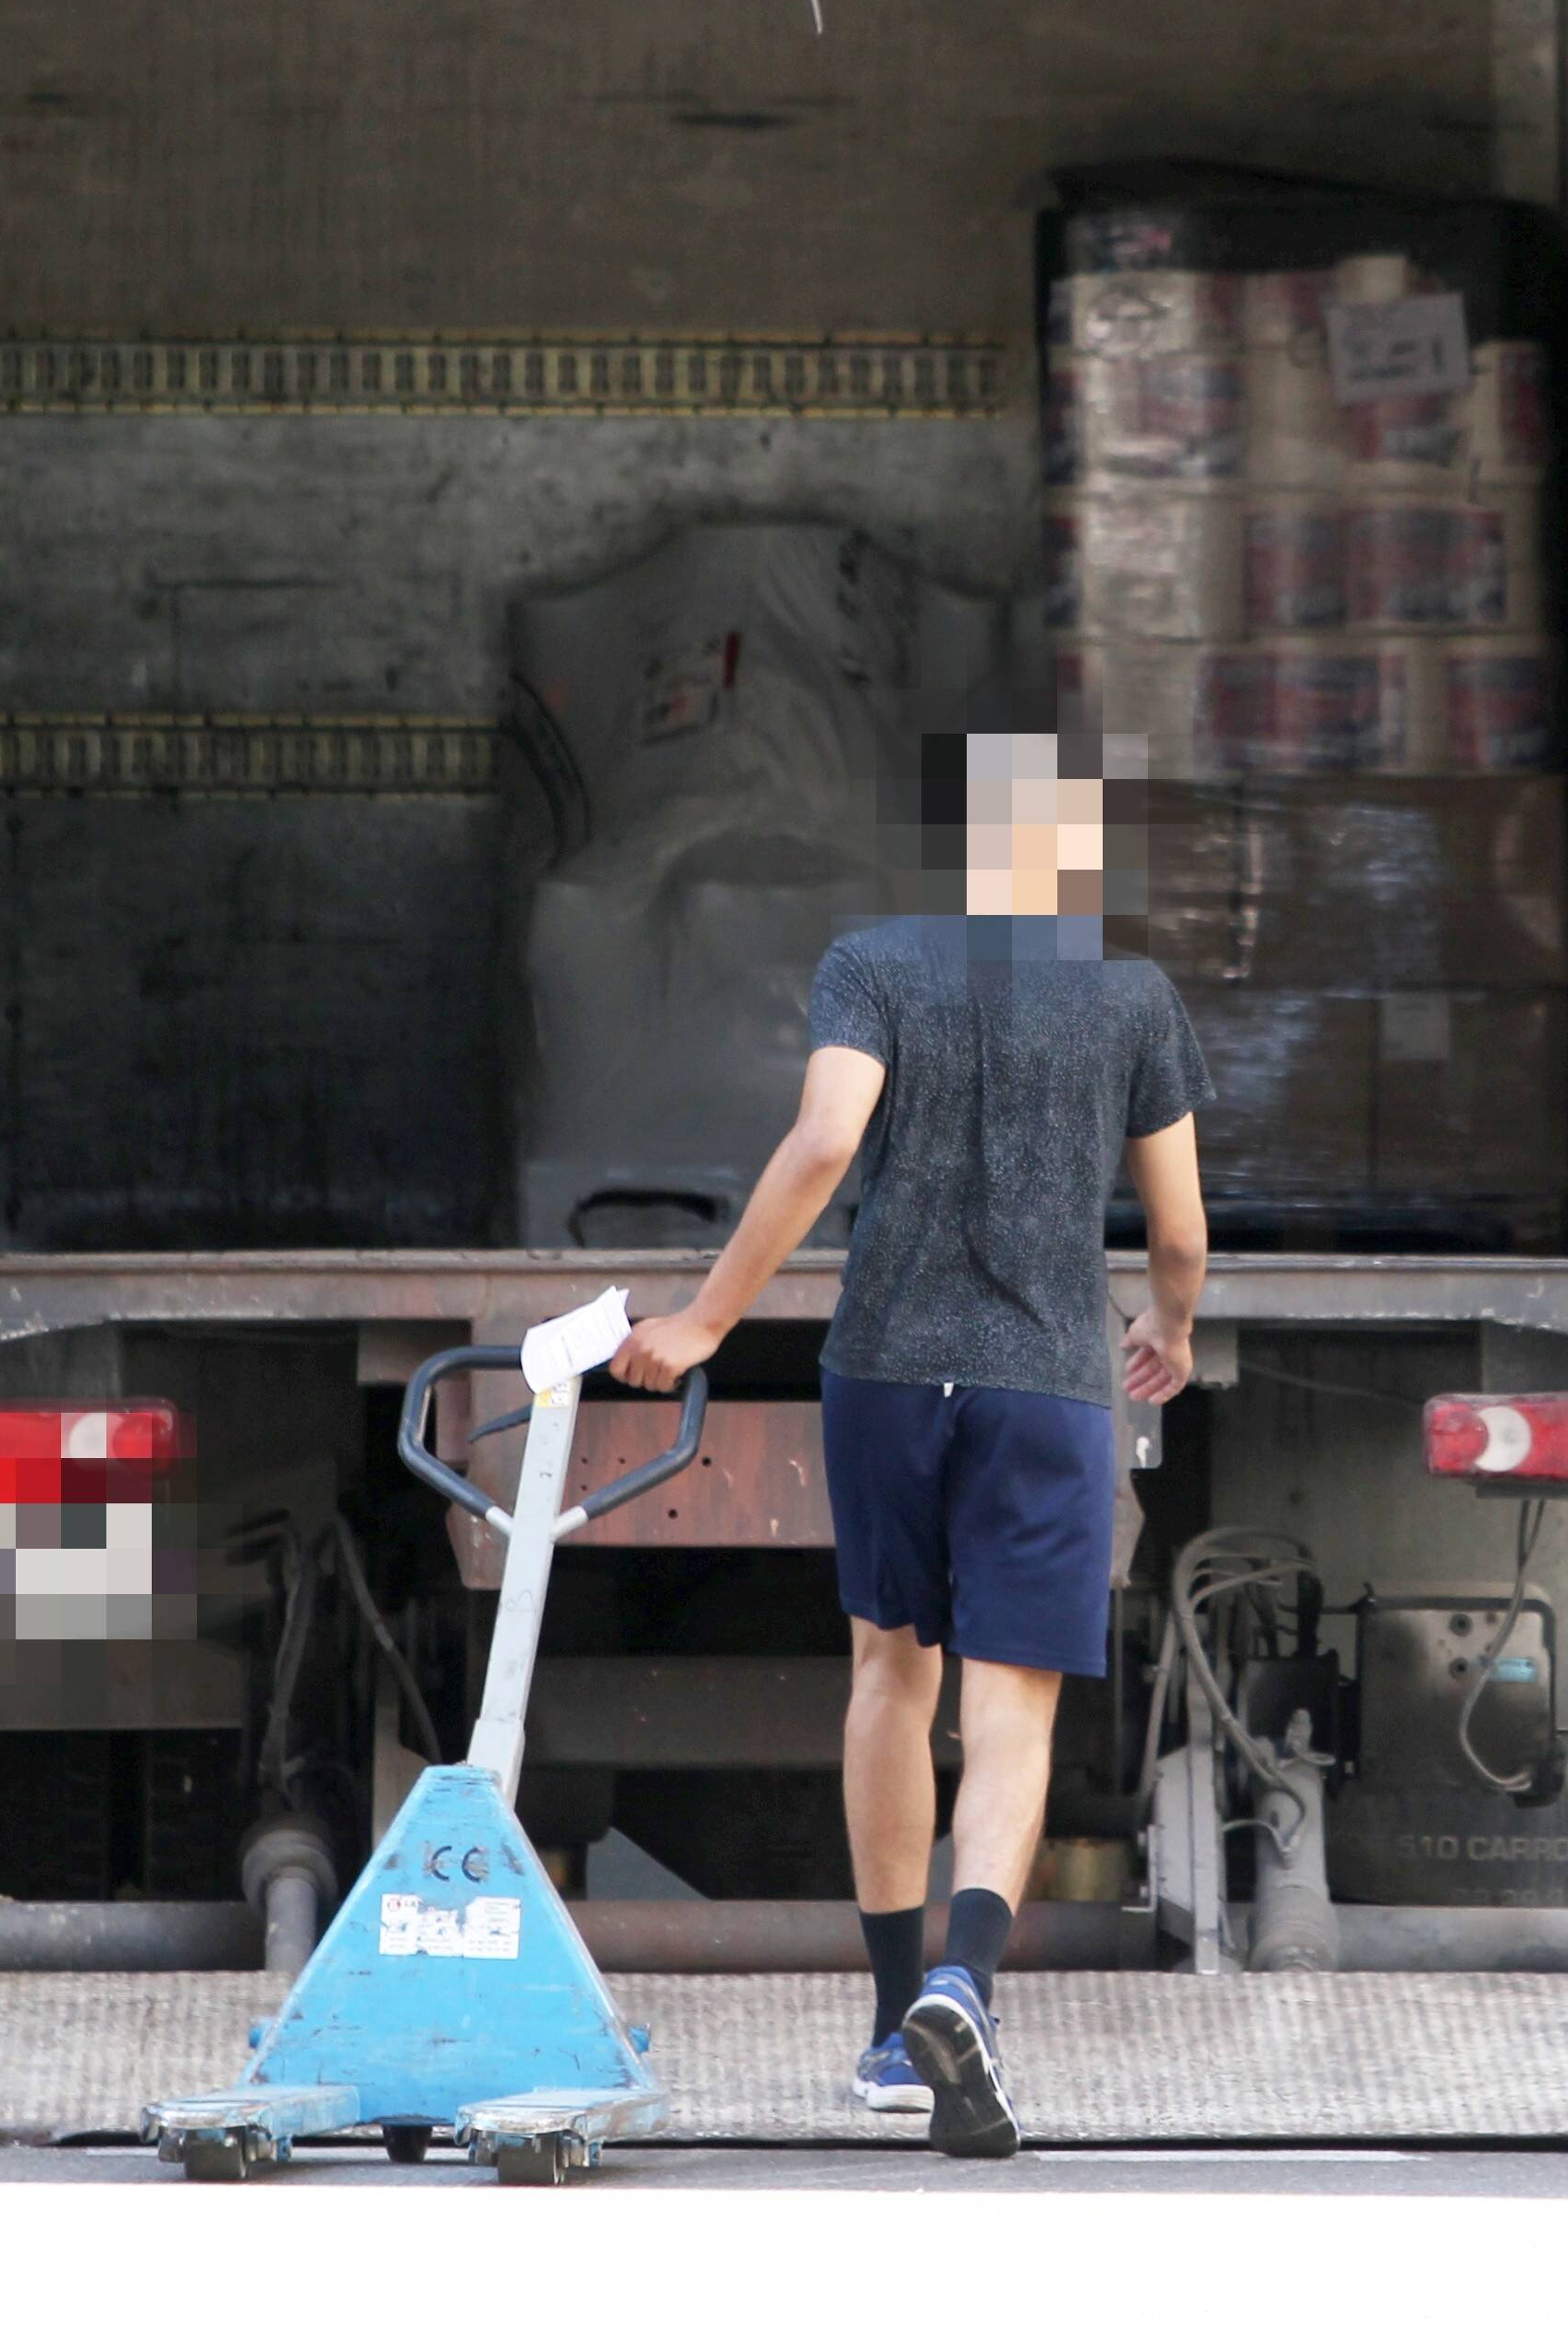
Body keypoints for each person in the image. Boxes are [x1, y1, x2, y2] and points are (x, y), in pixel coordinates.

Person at [610, 731, 1206, 2158]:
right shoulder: (1131, 996)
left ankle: (893, 2028)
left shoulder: (874, 965)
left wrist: (704, 1317)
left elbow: (825, 1143)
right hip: (1046, 1383)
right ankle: (965, 1985)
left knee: (889, 1670)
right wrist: (1172, 1326)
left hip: (884, 1370)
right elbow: (1179, 1229)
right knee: (1012, 1705)